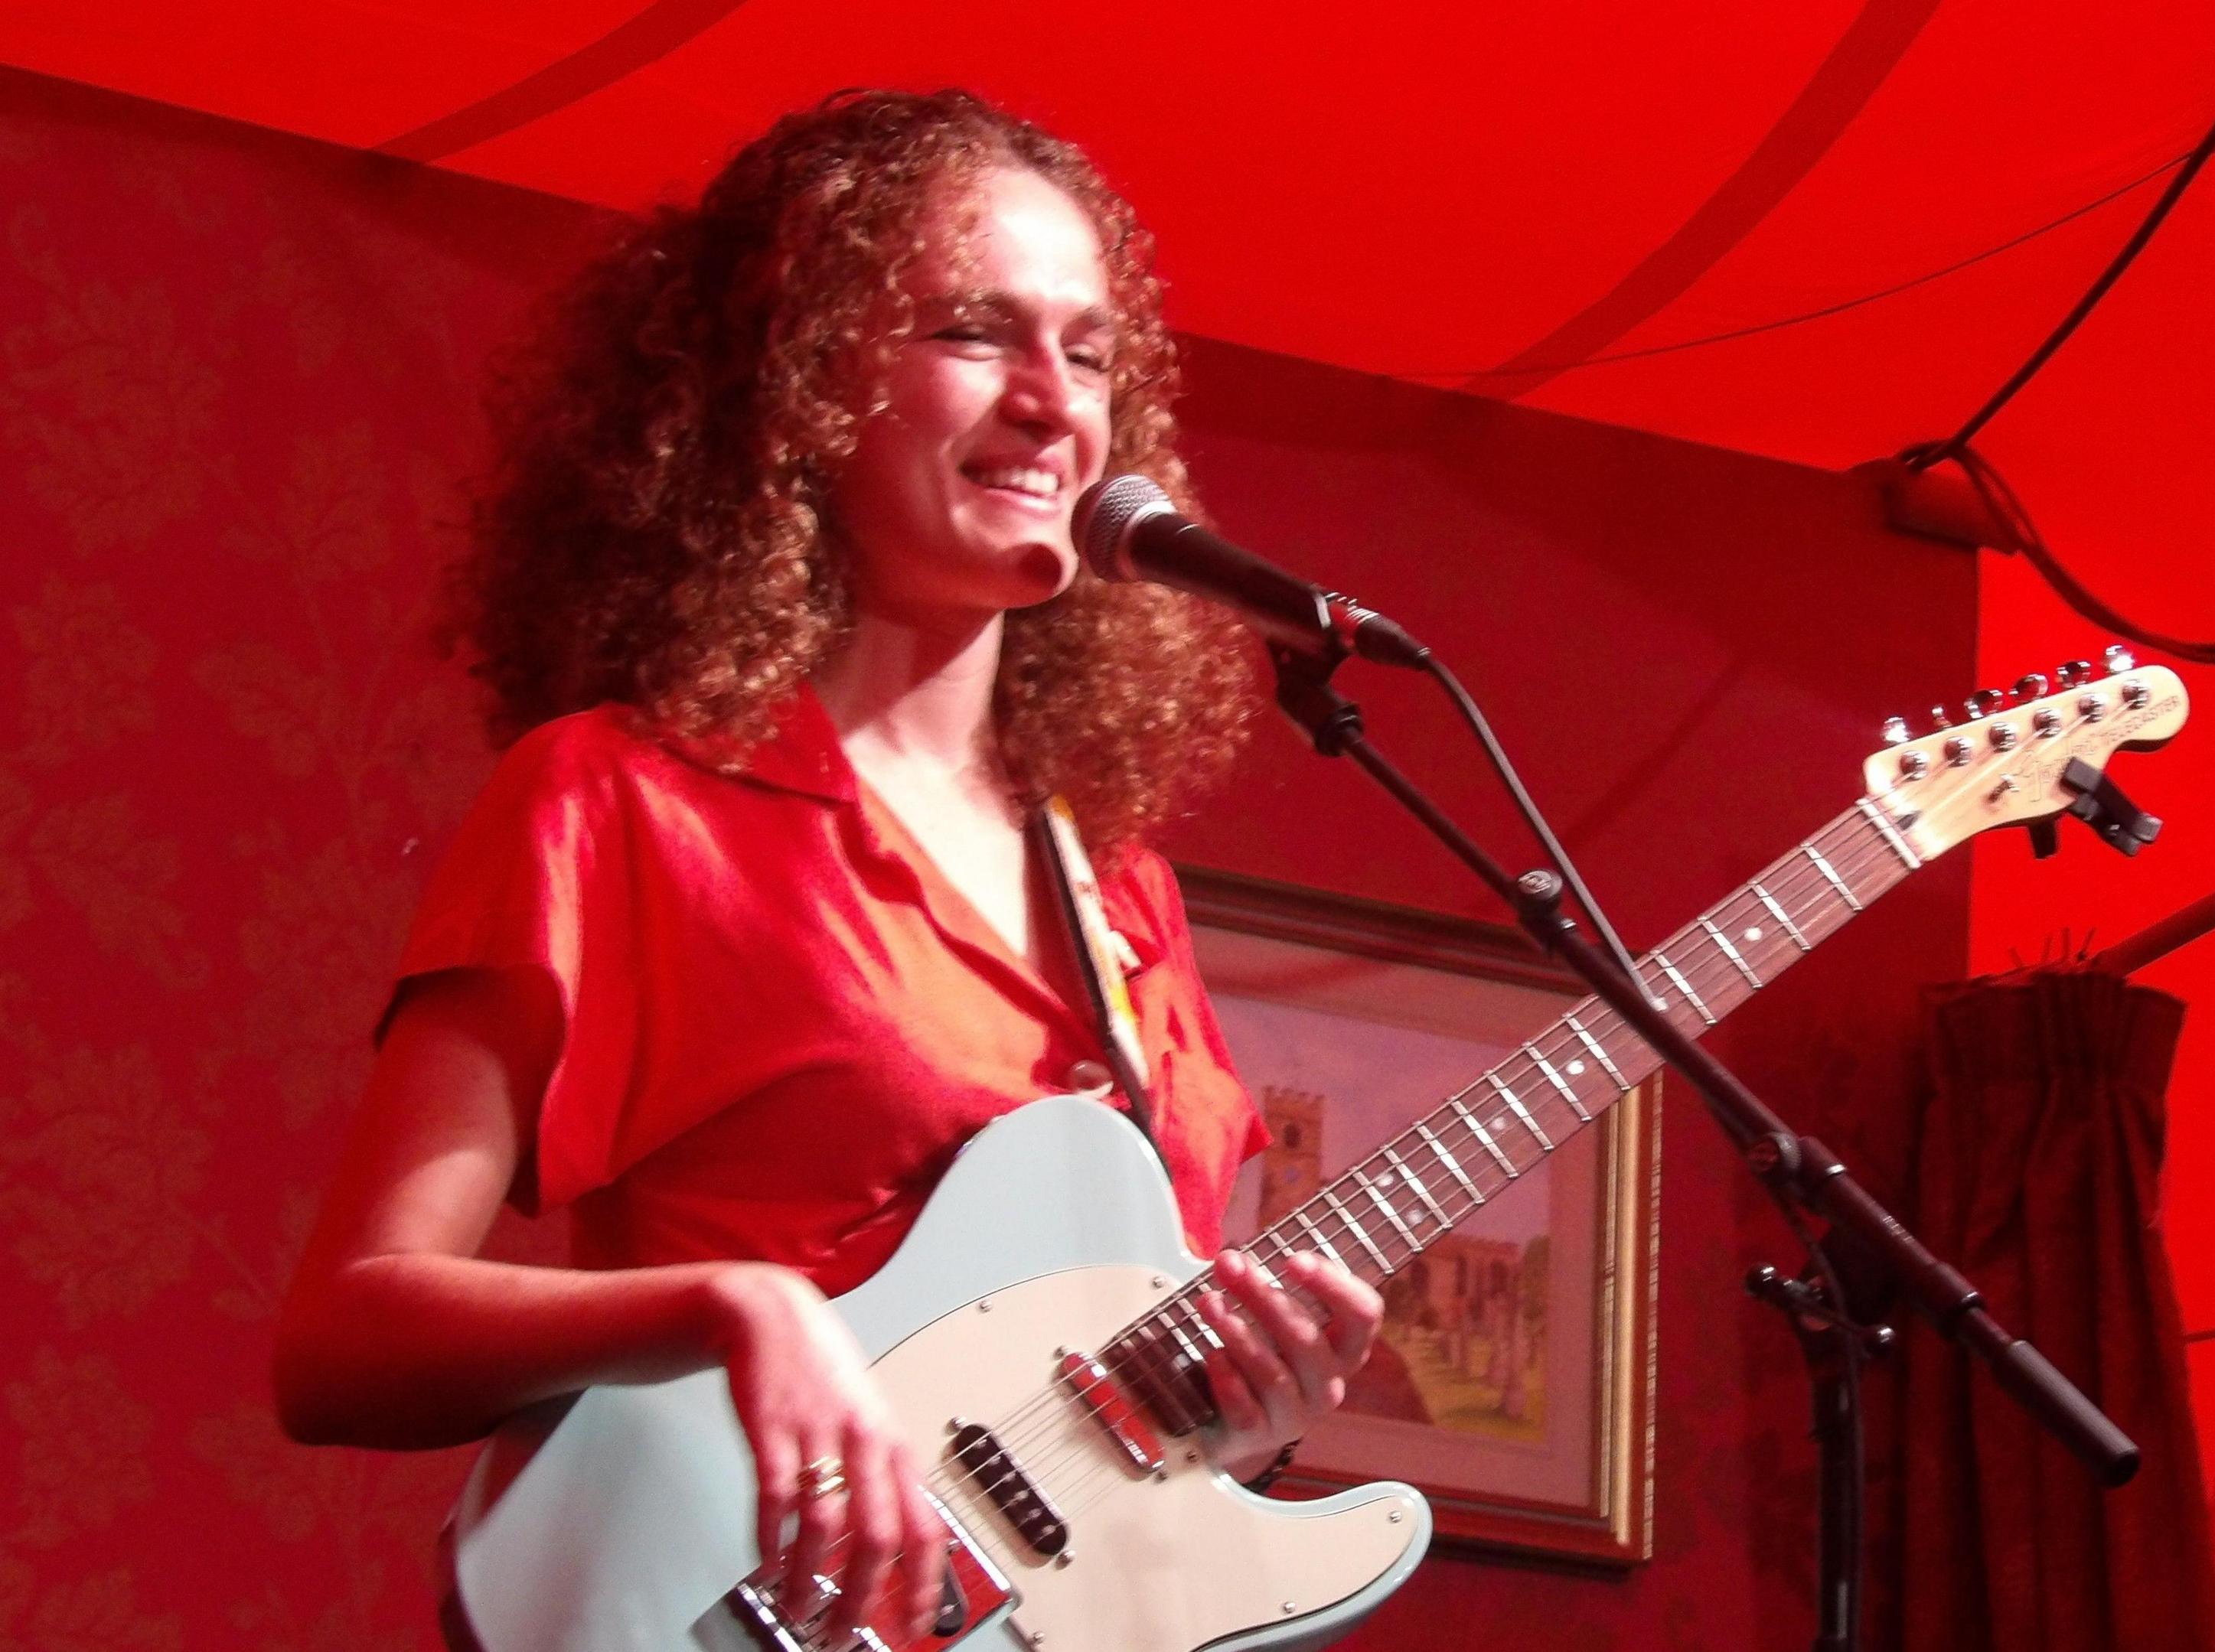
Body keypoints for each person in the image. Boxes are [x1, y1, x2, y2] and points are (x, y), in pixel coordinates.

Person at [271, 89, 1385, 1643]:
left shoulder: (1114, 887)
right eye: (974, 333)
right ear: (799, 385)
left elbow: (1086, 1427)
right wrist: (731, 1307)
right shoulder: (622, 798)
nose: (1054, 403)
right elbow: (341, 1338)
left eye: (1088, 350)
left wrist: (1247, 1417)